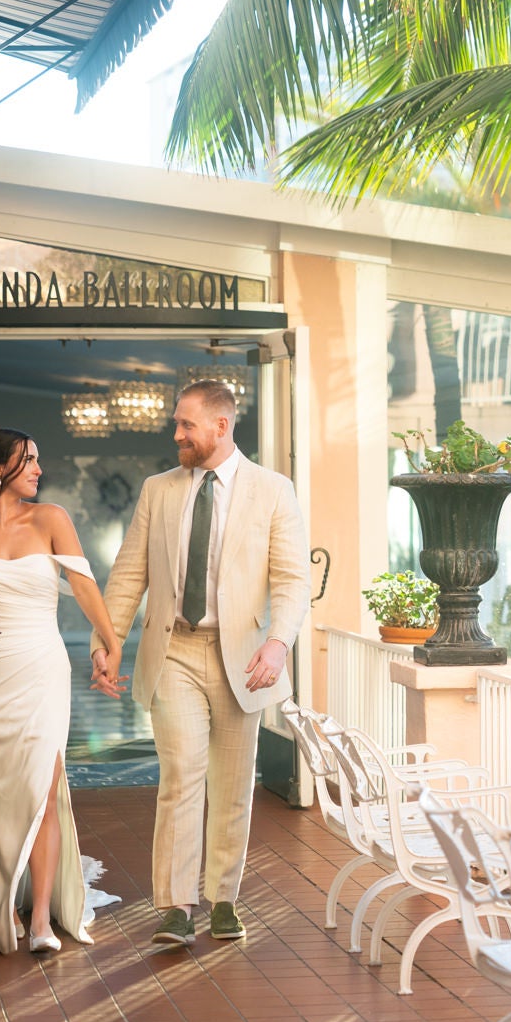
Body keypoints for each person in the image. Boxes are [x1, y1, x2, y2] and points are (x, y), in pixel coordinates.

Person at [98, 379, 311, 947]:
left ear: (221, 426)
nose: (177, 434)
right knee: (181, 777)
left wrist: (279, 642)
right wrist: (109, 640)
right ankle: (175, 905)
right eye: (176, 423)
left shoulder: (273, 491)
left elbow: (292, 580)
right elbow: (129, 574)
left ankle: (223, 898)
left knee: (233, 785)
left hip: (244, 657)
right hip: (176, 651)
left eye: (186, 424)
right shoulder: (158, 490)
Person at [0, 428, 126, 954]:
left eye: (38, 460)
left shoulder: (52, 519)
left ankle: (39, 919)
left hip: (41, 669)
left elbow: (84, 585)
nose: (38, 469)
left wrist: (111, 643)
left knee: (42, 786)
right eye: (28, 460)